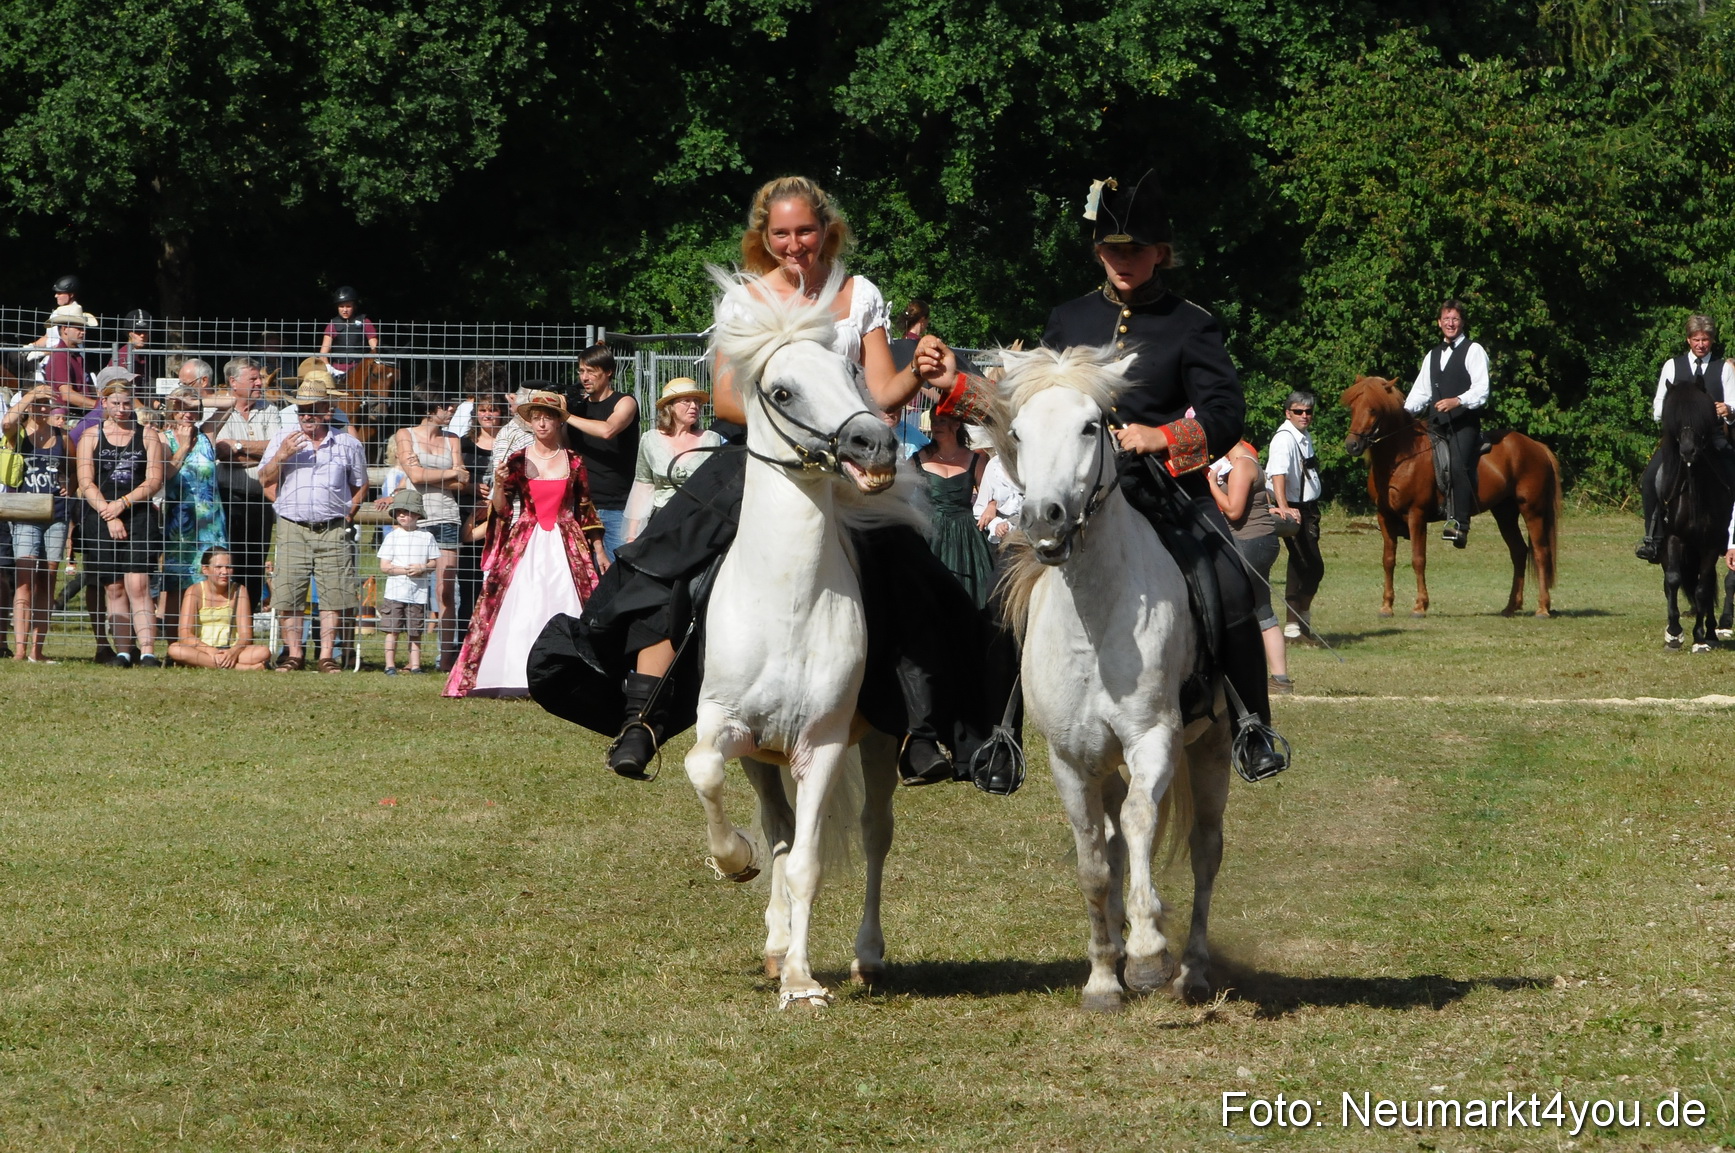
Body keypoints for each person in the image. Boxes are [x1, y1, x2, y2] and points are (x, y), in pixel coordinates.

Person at [538, 175, 1007, 789]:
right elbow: (729, 402)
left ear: (826, 230)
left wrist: (916, 370)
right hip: (761, 458)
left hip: (848, 461)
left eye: (806, 231)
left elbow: (882, 392)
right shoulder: (745, 301)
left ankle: (920, 734)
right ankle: (643, 714)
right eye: (781, 233)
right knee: (669, 555)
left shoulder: (859, 295)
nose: (795, 244)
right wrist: (793, 427)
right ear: (764, 238)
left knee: (912, 568)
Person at [928, 167, 1288, 778]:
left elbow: (1228, 412)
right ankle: (1000, 736)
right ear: (1098, 251)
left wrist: (1163, 436)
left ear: (1160, 254)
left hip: (1164, 491)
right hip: (1071, 495)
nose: (1124, 260)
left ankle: (1252, 725)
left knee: (1230, 583)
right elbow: (1027, 404)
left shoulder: (1191, 323)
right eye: (1113, 249)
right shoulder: (1067, 319)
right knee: (1000, 594)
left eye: (1137, 250)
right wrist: (958, 386)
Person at [445, 390, 606, 698]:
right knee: (518, 603)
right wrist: (500, 482)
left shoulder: (574, 461)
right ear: (530, 423)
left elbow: (585, 508)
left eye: (548, 417)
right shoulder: (517, 461)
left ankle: (573, 674)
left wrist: (598, 549)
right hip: (525, 539)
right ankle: (510, 672)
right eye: (536, 418)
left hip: (567, 541)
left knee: (566, 602)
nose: (542, 424)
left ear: (559, 422)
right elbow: (503, 510)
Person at [258, 377, 368, 672]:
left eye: (312, 410)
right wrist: (282, 456)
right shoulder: (284, 437)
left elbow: (360, 483)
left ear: (327, 411)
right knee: (289, 592)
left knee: (334, 594)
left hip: (333, 527)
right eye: (301, 410)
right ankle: (294, 653)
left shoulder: (348, 443)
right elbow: (265, 479)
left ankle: (327, 656)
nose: (306, 416)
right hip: (292, 525)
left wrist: (348, 512)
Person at [75, 372, 165, 668]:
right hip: (100, 516)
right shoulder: (90, 435)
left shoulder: (147, 435)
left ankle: (148, 650)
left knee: (138, 584)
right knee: (113, 587)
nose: (122, 408)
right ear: (105, 401)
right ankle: (124, 651)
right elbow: (86, 482)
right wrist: (108, 512)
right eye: (116, 402)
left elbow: (154, 480)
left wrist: (124, 503)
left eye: (127, 403)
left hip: (138, 514)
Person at [1637, 314, 1735, 562]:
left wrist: (1729, 410)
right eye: (1696, 339)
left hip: (1712, 440)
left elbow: (1733, 405)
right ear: (1688, 340)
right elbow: (1658, 408)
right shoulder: (1672, 366)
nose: (1701, 344)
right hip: (1678, 442)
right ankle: (1654, 539)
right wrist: (1675, 411)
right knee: (1650, 480)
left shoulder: (1724, 368)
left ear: (1712, 340)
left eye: (1705, 339)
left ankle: (1730, 539)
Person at [393, 387, 468, 668]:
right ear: (429, 409)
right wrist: (450, 472)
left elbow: (462, 483)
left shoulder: (453, 440)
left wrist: (430, 476)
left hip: (447, 517)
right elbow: (414, 474)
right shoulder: (405, 435)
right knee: (411, 588)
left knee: (446, 590)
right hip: (416, 519)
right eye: (446, 406)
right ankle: (410, 657)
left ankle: (446, 657)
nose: (451, 411)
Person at [1404, 299, 1489, 548]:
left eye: (1455, 319)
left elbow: (1482, 389)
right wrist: (1403, 414)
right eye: (1446, 319)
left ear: (1462, 322)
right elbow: (1421, 391)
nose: (1450, 323)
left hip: (1463, 424)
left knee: (1457, 464)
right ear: (1439, 322)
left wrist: (1457, 401)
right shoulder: (1433, 354)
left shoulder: (1474, 350)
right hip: (1436, 423)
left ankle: (1460, 524)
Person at [1211, 440, 1291, 693]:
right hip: (1259, 541)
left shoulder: (1242, 466)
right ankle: (1280, 679)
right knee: (1262, 610)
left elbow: (1234, 511)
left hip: (1249, 543)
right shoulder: (1240, 462)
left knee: (1233, 609)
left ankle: (1236, 675)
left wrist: (1211, 485)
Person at [200, 357, 282, 605]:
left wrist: (238, 447)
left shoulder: (270, 409)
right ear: (233, 382)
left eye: (259, 378)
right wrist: (260, 454)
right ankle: (228, 611)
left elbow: (276, 450)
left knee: (256, 559)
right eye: (254, 379)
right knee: (228, 558)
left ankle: (252, 612)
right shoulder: (217, 411)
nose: (260, 383)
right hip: (227, 497)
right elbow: (219, 452)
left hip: (261, 499)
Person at [4, 385, 70, 662]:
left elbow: (71, 470)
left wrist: (69, 485)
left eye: (47, 404)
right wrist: (31, 395)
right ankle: (19, 649)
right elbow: (6, 422)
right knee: (24, 581)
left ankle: (37, 650)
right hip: (24, 513)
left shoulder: (62, 437)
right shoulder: (17, 435)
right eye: (38, 404)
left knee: (48, 579)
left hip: (56, 514)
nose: (43, 409)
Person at [160, 386, 229, 648]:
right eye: (181, 409)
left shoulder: (206, 435)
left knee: (210, 582)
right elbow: (165, 474)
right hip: (180, 524)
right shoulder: (162, 438)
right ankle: (175, 644)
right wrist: (184, 447)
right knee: (177, 583)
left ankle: (207, 642)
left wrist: (196, 399)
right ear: (172, 410)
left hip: (211, 523)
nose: (188, 414)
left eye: (192, 410)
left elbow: (230, 402)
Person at [563, 344, 639, 560]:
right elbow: (566, 448)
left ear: (608, 371)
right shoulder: (578, 409)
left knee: (617, 577)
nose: (584, 377)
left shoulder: (625, 402)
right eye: (581, 371)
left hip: (618, 507)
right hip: (583, 505)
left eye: (591, 371)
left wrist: (566, 417)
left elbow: (607, 430)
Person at [624, 378, 722, 542]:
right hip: (662, 522)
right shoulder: (650, 440)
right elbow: (643, 484)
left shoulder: (711, 439)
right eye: (686, 401)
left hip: (699, 523)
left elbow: (719, 485)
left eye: (697, 402)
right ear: (670, 407)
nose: (694, 406)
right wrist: (632, 535)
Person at [917, 409, 994, 608]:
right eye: (934, 422)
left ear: (957, 424)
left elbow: (990, 494)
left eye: (942, 421)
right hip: (930, 532)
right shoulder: (919, 458)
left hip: (965, 534)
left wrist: (992, 506)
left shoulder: (976, 459)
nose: (936, 426)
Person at [1266, 391, 1324, 641]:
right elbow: (1278, 474)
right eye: (1299, 411)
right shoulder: (1284, 439)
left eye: (1308, 412)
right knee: (1310, 565)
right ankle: (1296, 622)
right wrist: (1283, 507)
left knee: (1301, 565)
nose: (1304, 416)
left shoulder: (1302, 435)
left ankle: (1297, 623)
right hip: (1294, 507)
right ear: (1287, 413)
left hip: (1308, 508)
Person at [166, 547, 271, 670]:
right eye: (218, 567)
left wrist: (233, 652)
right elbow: (185, 634)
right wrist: (211, 651)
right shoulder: (194, 591)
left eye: (228, 567)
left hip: (231, 649)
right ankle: (241, 668)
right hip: (203, 650)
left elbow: (246, 635)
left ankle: (212, 663)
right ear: (205, 569)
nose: (224, 572)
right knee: (175, 649)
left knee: (263, 652)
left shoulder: (239, 590)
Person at [376, 488, 442, 675]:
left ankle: (415, 665)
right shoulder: (392, 537)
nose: (403, 515)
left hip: (418, 594)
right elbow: (384, 566)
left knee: (415, 632)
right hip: (395, 592)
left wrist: (422, 568)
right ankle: (390, 665)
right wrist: (403, 570)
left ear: (418, 514)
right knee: (392, 630)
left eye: (408, 511)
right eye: (399, 512)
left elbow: (434, 562)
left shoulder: (426, 536)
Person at [41, 306, 98, 416]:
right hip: (69, 416)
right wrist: (99, 406)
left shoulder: (76, 355)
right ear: (65, 329)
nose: (84, 332)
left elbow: (87, 387)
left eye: (84, 328)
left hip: (83, 413)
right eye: (79, 328)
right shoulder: (60, 356)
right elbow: (67, 395)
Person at [318, 286, 379, 375]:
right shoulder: (332, 325)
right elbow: (323, 353)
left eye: (348, 306)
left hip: (361, 370)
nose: (345, 310)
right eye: (341, 306)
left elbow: (375, 348)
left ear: (354, 306)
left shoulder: (365, 322)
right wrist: (329, 368)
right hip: (338, 370)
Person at [110, 310, 153, 381]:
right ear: (128, 333)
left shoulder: (141, 354)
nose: (142, 335)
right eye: (137, 331)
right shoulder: (122, 357)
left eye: (146, 331)